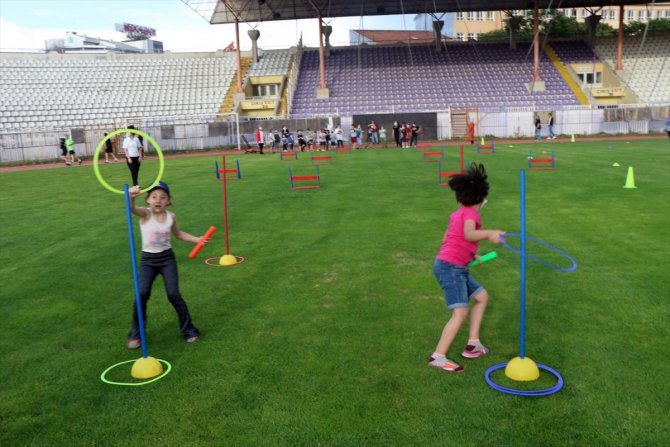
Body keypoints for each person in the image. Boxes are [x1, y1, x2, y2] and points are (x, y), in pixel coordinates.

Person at [428, 163, 505, 373]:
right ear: (481, 197)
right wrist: (489, 234)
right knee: (460, 313)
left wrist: (472, 254)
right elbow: (469, 235)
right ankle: (438, 356)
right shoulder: (471, 215)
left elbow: (450, 237)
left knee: (481, 297)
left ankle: (473, 344)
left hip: (453, 265)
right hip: (450, 268)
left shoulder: (458, 213)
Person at [126, 182, 204, 348]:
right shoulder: (145, 214)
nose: (158, 200)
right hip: (148, 260)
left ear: (168, 201)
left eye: (163, 197)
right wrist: (131, 199)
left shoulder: (171, 217)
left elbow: (179, 234)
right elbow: (132, 209)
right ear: (147, 200)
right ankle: (135, 333)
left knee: (174, 295)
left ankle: (189, 330)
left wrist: (197, 239)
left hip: (167, 259)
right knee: (142, 294)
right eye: (154, 197)